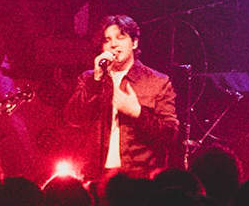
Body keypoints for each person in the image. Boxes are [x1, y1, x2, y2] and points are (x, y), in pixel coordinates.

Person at [62, 14, 178, 180]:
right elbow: (73, 117)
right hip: (95, 176)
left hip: (139, 178)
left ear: (134, 43)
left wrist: (138, 113)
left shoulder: (157, 82)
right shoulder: (89, 78)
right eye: (107, 40)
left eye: (120, 37)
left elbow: (170, 134)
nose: (113, 44)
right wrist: (96, 80)